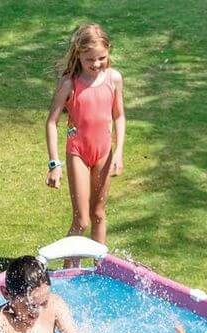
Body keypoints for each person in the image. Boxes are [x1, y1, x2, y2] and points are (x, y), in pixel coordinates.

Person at [45, 24, 126, 256]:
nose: (97, 64)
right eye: (90, 59)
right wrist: (54, 164)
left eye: (102, 58)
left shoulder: (114, 79)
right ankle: (69, 269)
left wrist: (119, 152)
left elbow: (119, 116)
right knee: (81, 220)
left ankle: (99, 269)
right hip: (78, 152)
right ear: (78, 54)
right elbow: (51, 123)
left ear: (108, 52)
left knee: (98, 214)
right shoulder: (69, 84)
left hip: (104, 153)